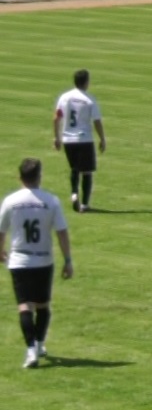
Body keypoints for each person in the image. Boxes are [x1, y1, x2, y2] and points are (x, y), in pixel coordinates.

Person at [0, 158, 73, 368]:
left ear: (20, 177)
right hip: (43, 260)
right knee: (42, 305)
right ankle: (39, 343)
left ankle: (32, 350)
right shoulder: (51, 201)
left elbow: (1, 231)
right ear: (39, 176)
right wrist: (68, 260)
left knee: (24, 306)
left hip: (20, 261)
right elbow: (61, 232)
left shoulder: (11, 201)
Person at [53, 68, 107, 213]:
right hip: (84, 139)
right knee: (87, 172)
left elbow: (56, 118)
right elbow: (97, 121)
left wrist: (57, 138)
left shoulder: (64, 97)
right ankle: (84, 204)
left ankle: (73, 193)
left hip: (67, 139)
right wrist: (102, 138)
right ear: (86, 82)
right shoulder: (89, 99)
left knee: (75, 168)